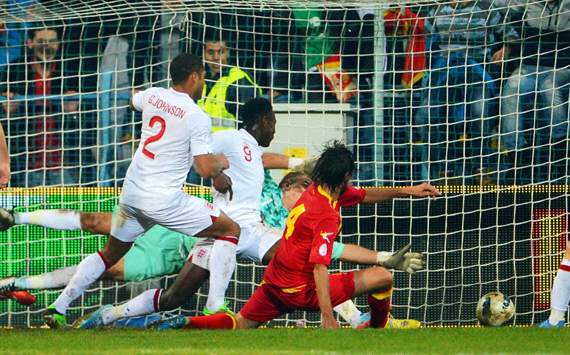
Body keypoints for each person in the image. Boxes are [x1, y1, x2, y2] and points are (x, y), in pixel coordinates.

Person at [144, 141, 440, 330]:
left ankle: (186, 323)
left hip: (274, 281)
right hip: (303, 288)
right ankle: (377, 328)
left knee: (241, 324)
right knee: (383, 277)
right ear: (345, 177)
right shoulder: (326, 214)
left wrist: (409, 190)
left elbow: (365, 195)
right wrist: (327, 316)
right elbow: (321, 266)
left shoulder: (316, 189)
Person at [42, 53, 240, 329]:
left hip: (132, 193)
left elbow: (134, 100)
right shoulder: (197, 116)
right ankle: (215, 307)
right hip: (164, 200)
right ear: (195, 77)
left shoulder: (153, 96)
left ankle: (59, 307)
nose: (203, 83)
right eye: (203, 78)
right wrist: (221, 163)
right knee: (230, 229)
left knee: (109, 254)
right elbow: (206, 168)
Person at [414, 0, 517, 183]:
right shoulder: (436, 11)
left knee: (480, 110)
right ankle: (447, 169)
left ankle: (481, 167)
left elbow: (511, 34)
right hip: (446, 71)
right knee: (431, 112)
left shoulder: (486, 9)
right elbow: (427, 43)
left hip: (477, 69)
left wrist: (506, 48)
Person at [496, 0, 570, 183]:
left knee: (550, 88)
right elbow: (500, 10)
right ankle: (517, 156)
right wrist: (508, 44)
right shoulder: (527, 4)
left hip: (560, 68)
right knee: (512, 88)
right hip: (529, 67)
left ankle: (559, 151)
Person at [0, 26, 80, 186]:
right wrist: (8, 109)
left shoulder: (71, 71)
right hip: (26, 165)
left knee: (69, 210)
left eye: (51, 42)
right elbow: (6, 118)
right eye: (41, 42)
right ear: (29, 43)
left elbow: (87, 118)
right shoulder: (14, 71)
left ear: (58, 44)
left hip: (65, 163)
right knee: (27, 211)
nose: (47, 47)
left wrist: (74, 110)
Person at [198, 31, 261, 132]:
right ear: (204, 54)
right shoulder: (201, 80)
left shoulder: (239, 81)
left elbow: (251, 123)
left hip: (231, 145)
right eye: (210, 52)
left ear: (228, 52)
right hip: (206, 144)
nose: (216, 58)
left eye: (221, 52)